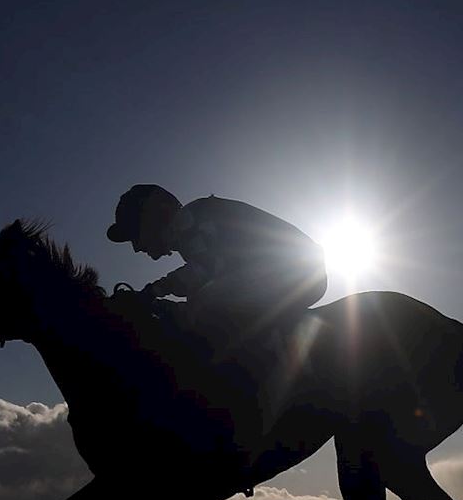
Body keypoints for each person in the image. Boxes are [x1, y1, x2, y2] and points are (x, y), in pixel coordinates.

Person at [107, 184, 328, 435]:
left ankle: (280, 376)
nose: (136, 247)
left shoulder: (191, 219)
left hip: (299, 273)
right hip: (295, 272)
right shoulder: (192, 226)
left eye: (136, 233)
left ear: (158, 215)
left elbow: (204, 270)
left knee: (206, 301)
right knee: (202, 304)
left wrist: (153, 292)